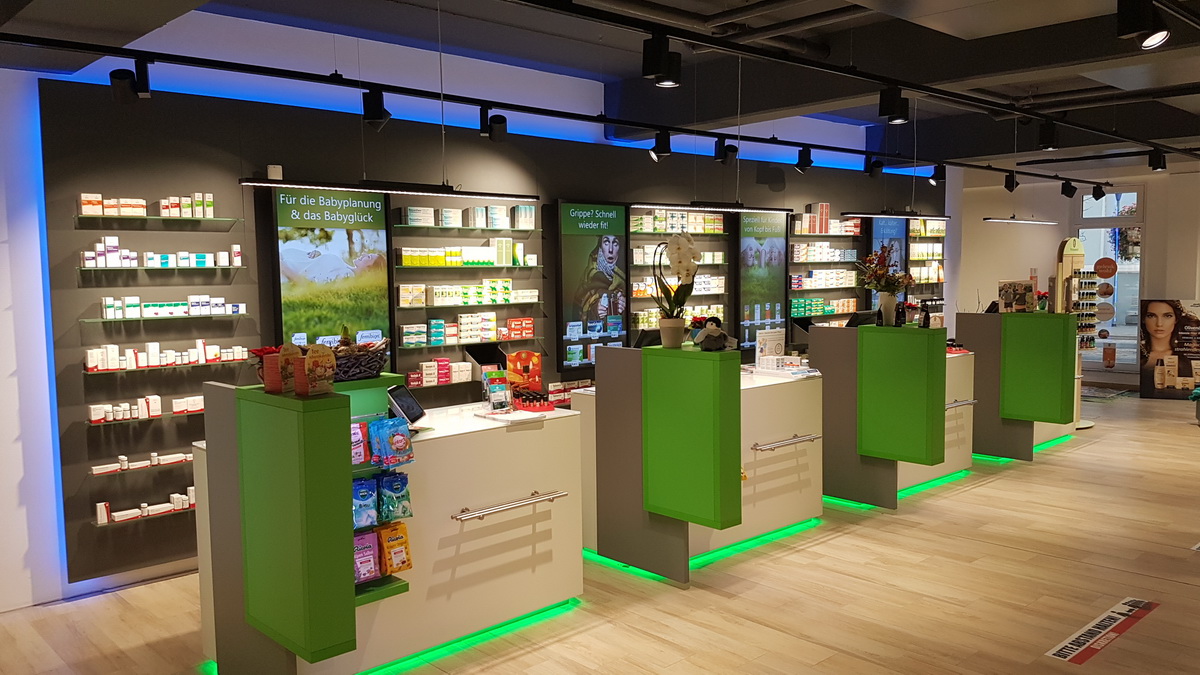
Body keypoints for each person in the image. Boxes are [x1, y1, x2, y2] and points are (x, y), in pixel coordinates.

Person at [1139, 299, 1199, 398]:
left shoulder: (1188, 356)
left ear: (1176, 319)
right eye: (1151, 316)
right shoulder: (1140, 354)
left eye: (1167, 316)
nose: (1159, 324)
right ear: (1143, 319)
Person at [575, 234, 626, 321]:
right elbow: (577, 310)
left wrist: (625, 305)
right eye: (606, 242)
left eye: (615, 243)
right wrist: (595, 310)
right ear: (600, 246)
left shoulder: (625, 274)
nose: (610, 250)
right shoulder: (589, 275)